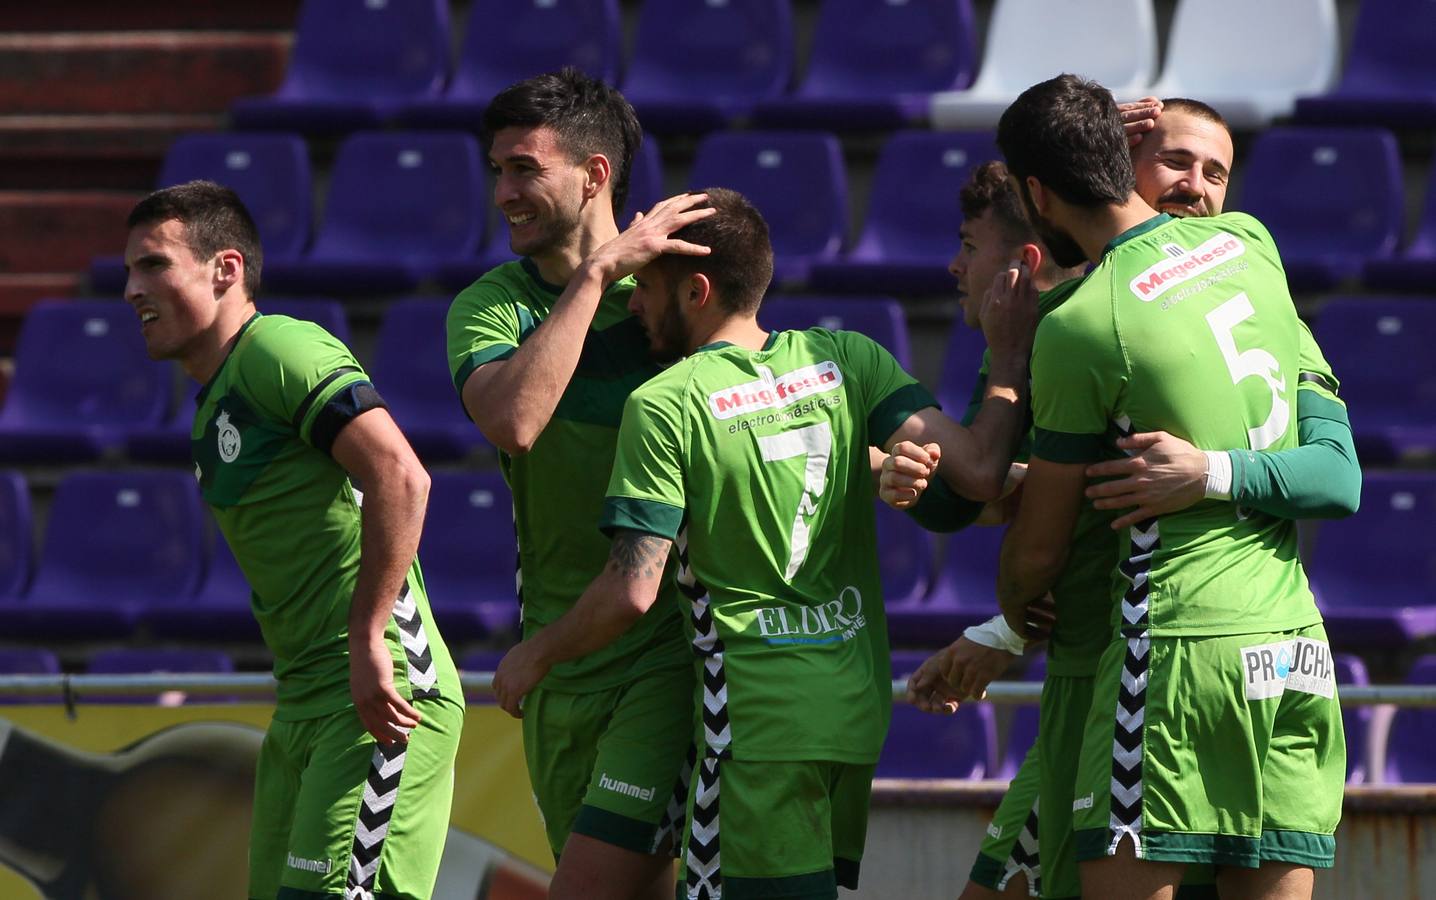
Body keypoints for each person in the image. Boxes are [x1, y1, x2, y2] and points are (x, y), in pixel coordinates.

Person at [492, 186, 1036, 900]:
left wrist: (537, 652)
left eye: (645, 289)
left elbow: (630, 589)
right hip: (850, 711)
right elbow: (982, 475)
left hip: (752, 724)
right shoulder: (847, 361)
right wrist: (1008, 360)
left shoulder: (664, 405)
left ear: (696, 290)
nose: (630, 305)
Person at [891, 98, 1359, 900]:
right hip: (1283, 646)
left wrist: (1007, 603)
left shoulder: (1086, 324)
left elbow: (1035, 538)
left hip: (1154, 660)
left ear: (1037, 204)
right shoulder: (1251, 252)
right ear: (1125, 158)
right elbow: (1020, 495)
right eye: (1173, 160)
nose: (1196, 186)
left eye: (1217, 171)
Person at [123, 180, 465, 900]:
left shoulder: (278, 346)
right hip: (306, 702)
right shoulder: (212, 402)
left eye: (153, 265)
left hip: (380, 697)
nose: (131, 289)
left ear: (225, 269)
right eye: (129, 270)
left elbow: (402, 476)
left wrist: (372, 637)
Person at [444, 68, 703, 900]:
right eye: (498, 171)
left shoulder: (673, 296)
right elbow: (515, 420)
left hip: (665, 651)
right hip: (556, 668)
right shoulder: (490, 306)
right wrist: (593, 281)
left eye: (524, 169)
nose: (503, 193)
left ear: (595, 175)